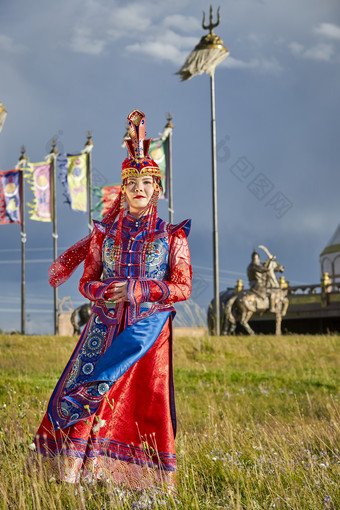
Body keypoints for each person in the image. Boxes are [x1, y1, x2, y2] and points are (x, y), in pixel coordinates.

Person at [33, 110, 192, 490]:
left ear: (158, 189)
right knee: (91, 392)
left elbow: (182, 287)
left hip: (146, 331)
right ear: (123, 189)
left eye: (147, 181)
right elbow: (86, 282)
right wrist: (106, 291)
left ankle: (138, 479)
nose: (139, 187)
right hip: (103, 328)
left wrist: (138, 290)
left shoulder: (173, 236)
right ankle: (75, 472)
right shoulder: (105, 234)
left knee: (138, 400)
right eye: (132, 181)